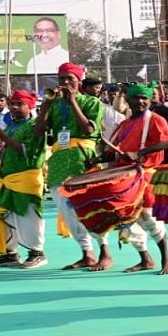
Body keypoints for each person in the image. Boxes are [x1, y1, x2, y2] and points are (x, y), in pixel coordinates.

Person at [33, 62, 111, 271]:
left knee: (90, 207)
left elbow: (88, 130)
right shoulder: (55, 105)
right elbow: (39, 132)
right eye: (62, 79)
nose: (65, 82)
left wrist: (73, 101)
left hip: (82, 159)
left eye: (70, 79)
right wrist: (46, 106)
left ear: (79, 82)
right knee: (68, 212)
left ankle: (105, 252)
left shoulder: (92, 102)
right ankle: (87, 254)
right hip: (59, 162)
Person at [98, 84, 168, 275]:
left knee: (150, 217)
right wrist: (96, 159)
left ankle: (166, 259)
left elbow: (167, 141)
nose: (140, 101)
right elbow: (111, 151)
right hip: (124, 176)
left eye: (144, 98)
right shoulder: (124, 125)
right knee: (123, 218)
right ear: (128, 100)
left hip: (144, 175)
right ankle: (145, 258)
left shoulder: (155, 119)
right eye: (136, 98)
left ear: (149, 100)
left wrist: (140, 152)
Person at [0, 90, 49, 269]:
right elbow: (7, 151)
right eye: (12, 104)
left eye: (20, 104)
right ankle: (9, 254)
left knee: (28, 216)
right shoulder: (12, 126)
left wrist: (3, 136)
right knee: (7, 215)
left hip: (26, 178)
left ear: (30, 107)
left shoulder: (34, 126)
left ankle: (37, 254)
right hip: (8, 178)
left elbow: (27, 151)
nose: (14, 107)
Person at [24, 17, 70, 83]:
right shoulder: (33, 61)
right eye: (39, 31)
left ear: (58, 34)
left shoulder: (66, 57)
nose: (44, 35)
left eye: (49, 30)